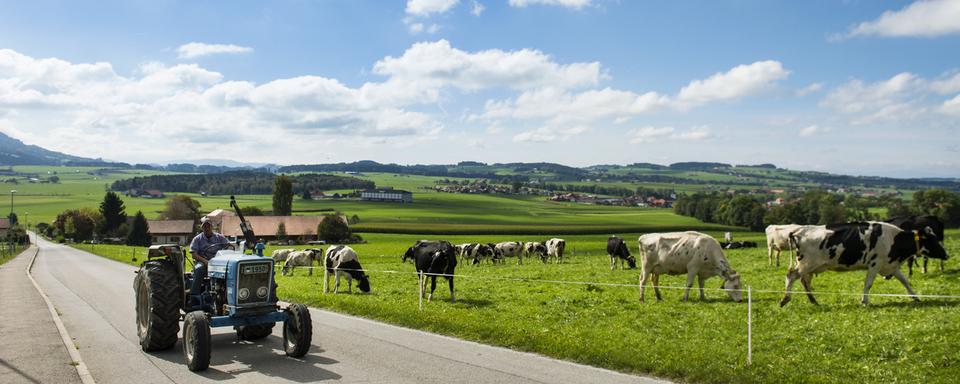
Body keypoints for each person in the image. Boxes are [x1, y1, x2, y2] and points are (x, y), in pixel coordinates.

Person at [189, 217, 230, 296]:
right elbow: (194, 254)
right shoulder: (197, 239)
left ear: (212, 227)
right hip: (203, 261)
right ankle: (194, 295)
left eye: (209, 226)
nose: (207, 228)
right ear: (202, 227)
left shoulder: (219, 237)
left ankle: (226, 293)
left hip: (218, 261)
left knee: (230, 270)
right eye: (205, 226)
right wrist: (205, 261)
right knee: (199, 269)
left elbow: (228, 246)